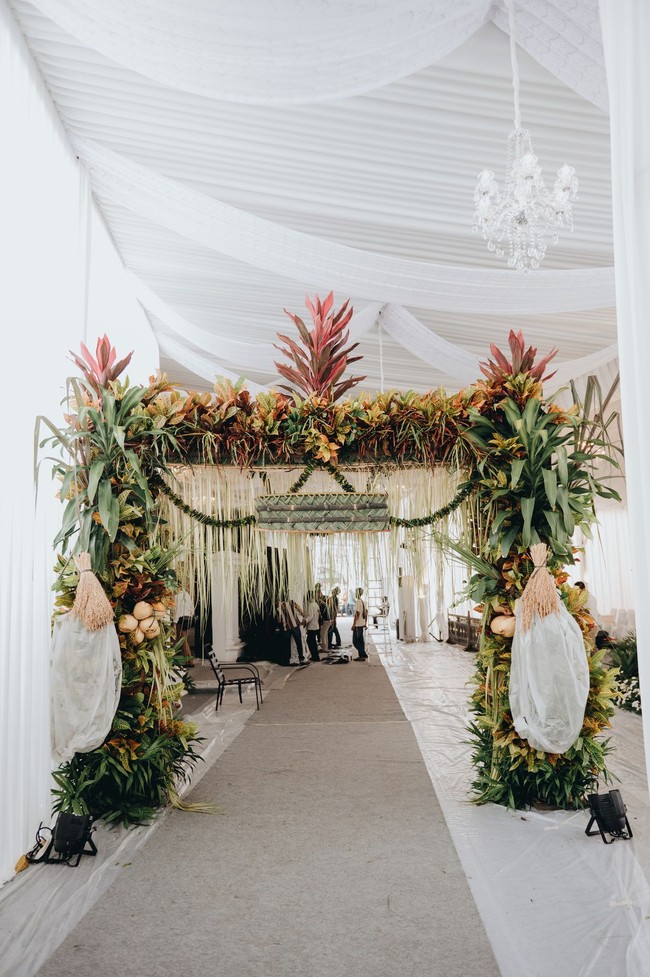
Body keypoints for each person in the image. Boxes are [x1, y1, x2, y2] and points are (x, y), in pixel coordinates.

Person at [276, 597, 306, 665]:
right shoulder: (291, 602)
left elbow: (278, 620)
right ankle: (301, 658)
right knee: (298, 642)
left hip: (286, 628)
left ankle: (287, 661)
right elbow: (299, 609)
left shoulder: (278, 608)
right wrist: (303, 615)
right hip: (295, 625)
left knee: (286, 644)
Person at [174, 588, 195, 667]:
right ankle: (187, 660)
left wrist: (174, 622)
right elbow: (192, 607)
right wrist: (190, 616)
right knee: (185, 639)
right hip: (188, 618)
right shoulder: (187, 594)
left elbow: (177, 610)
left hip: (180, 619)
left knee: (183, 640)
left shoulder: (177, 596)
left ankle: (189, 660)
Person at [352, 587, 368, 661]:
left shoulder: (358, 601)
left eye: (355, 592)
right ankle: (361, 656)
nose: (355, 594)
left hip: (358, 624)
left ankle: (363, 654)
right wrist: (365, 623)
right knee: (360, 641)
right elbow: (366, 613)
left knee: (355, 641)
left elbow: (357, 614)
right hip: (361, 623)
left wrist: (354, 624)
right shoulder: (363, 601)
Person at [304, 591, 321, 661]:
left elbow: (310, 616)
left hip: (312, 626)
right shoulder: (316, 604)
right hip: (315, 625)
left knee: (310, 641)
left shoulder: (311, 605)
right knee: (312, 641)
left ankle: (315, 656)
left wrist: (305, 620)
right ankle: (315, 656)